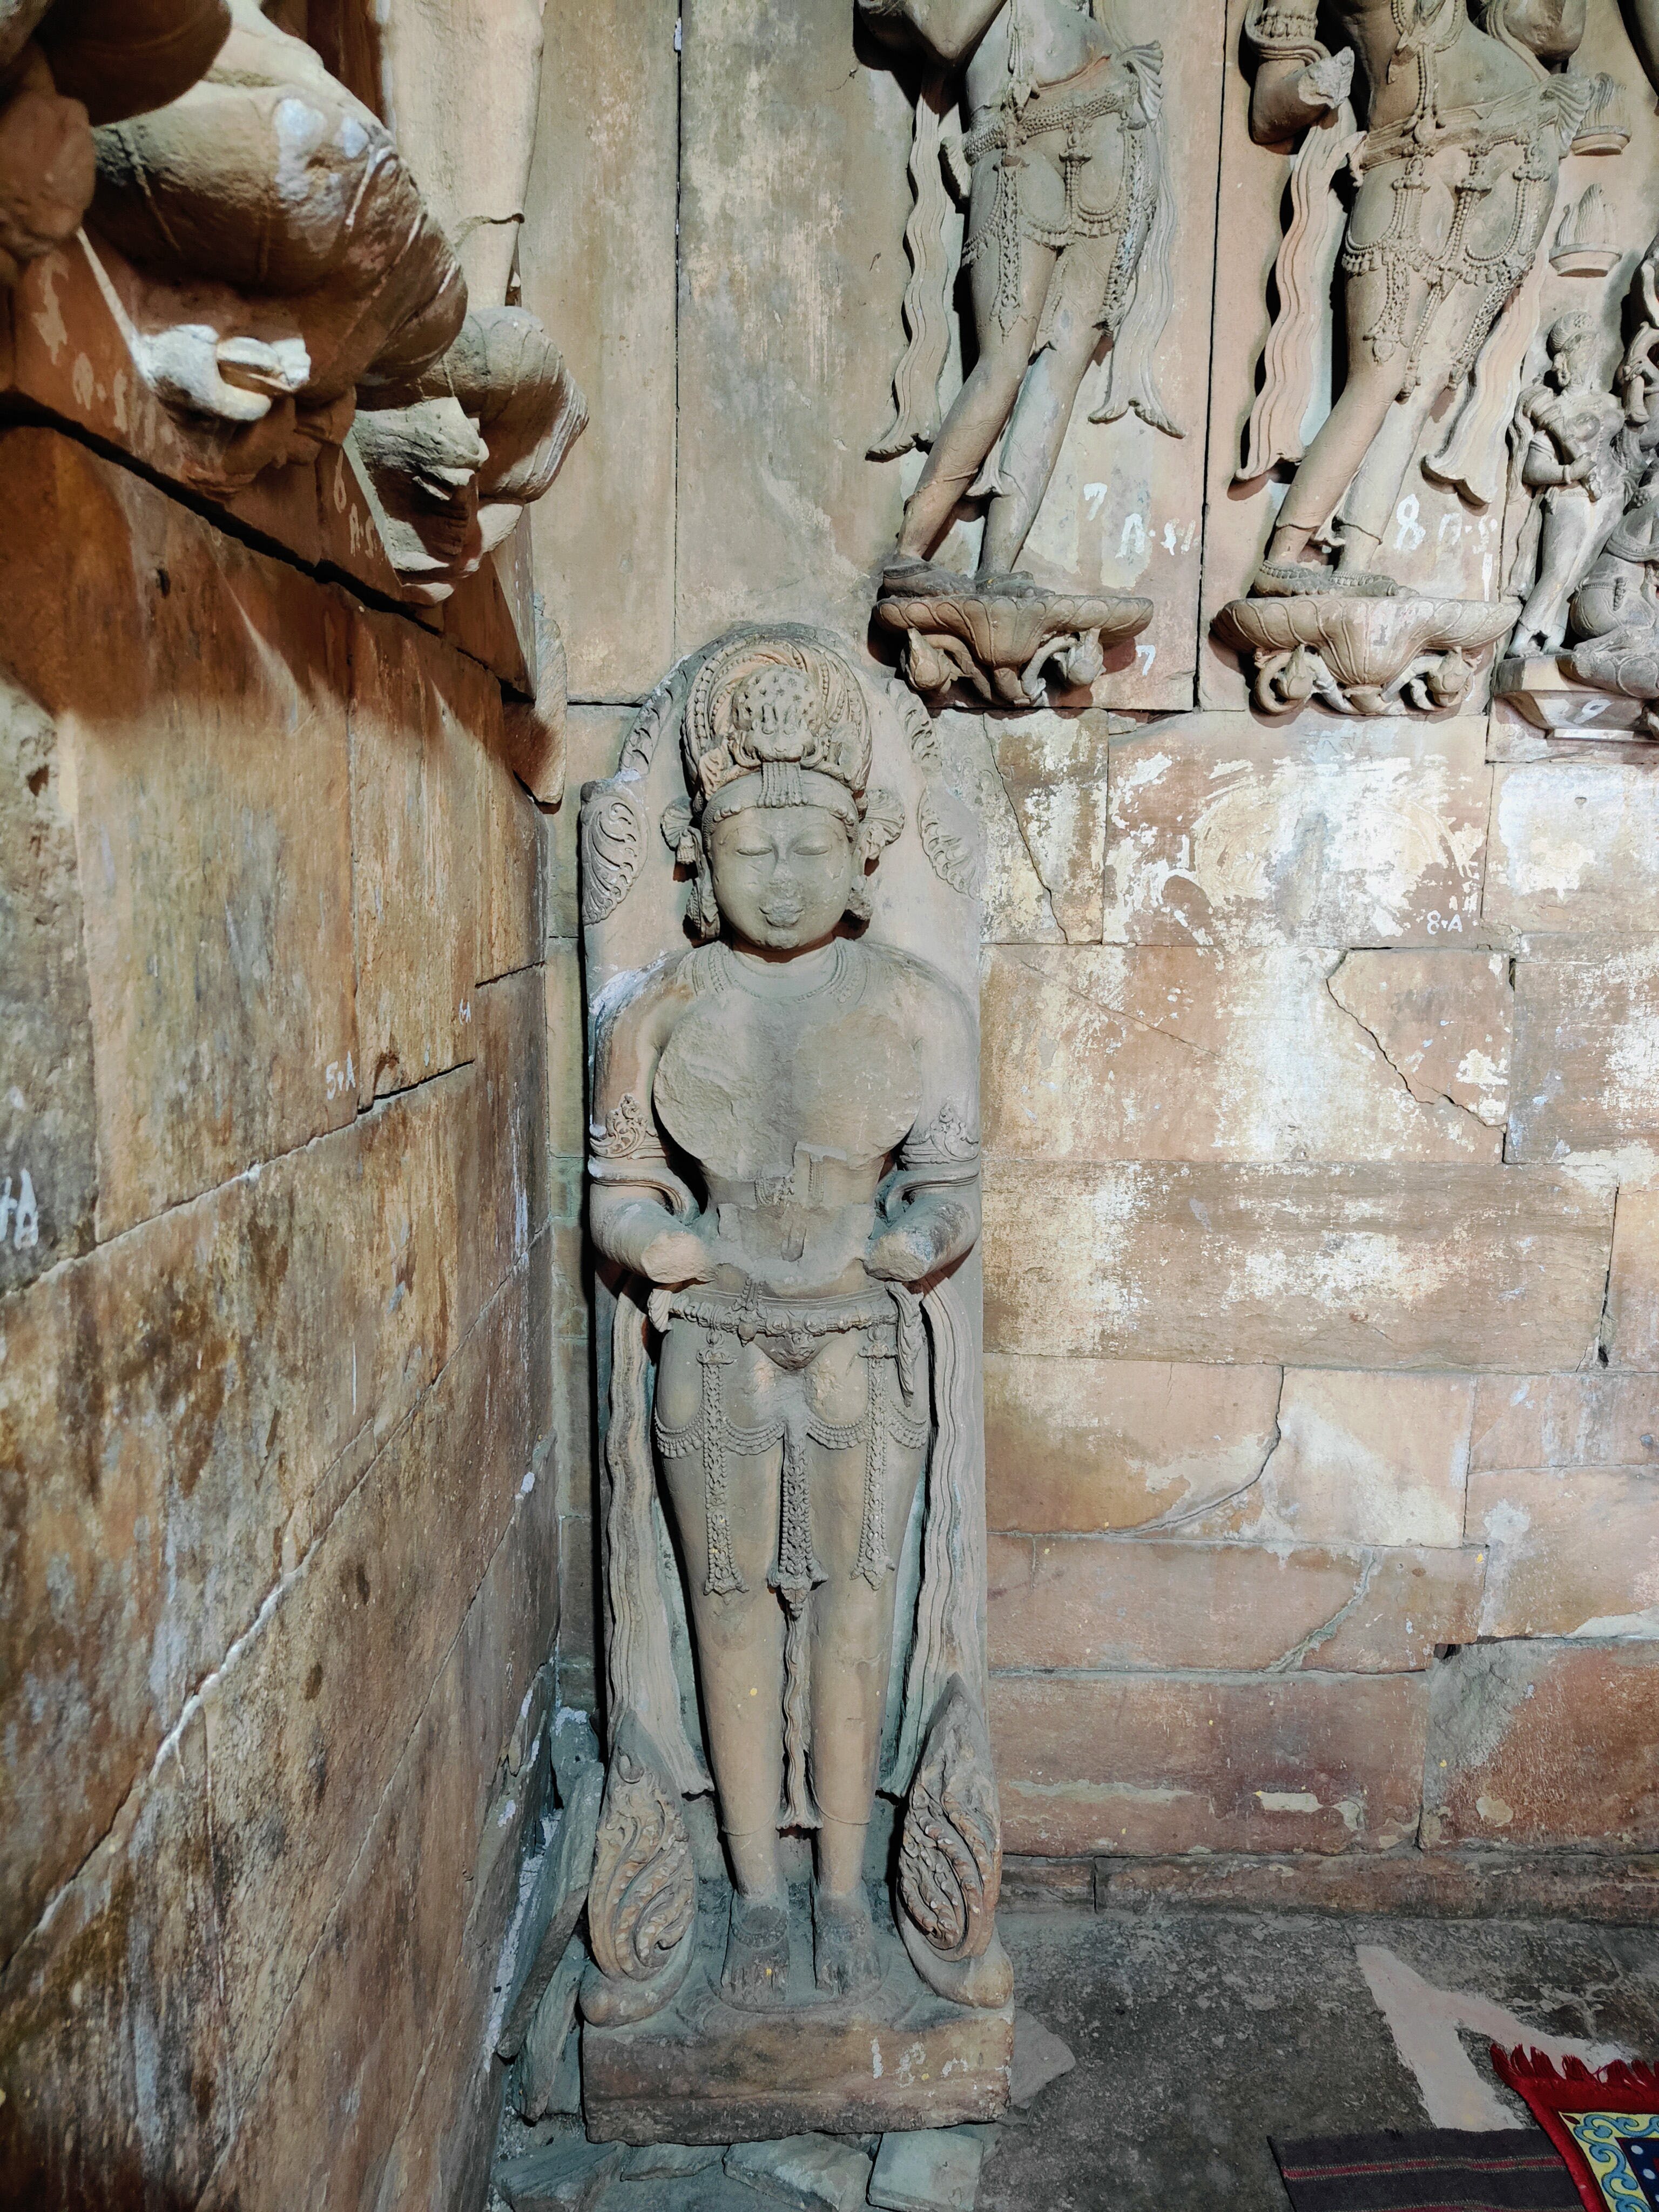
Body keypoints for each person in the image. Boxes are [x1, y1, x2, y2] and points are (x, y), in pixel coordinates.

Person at [586, 638, 981, 2008]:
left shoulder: (916, 1013)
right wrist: (656, 1240)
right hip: (714, 1347)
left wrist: (915, 1241)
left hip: (859, 1348)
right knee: (728, 1615)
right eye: (748, 842)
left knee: (855, 1613)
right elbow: (617, 1187)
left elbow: (945, 1186)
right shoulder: (657, 1014)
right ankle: (754, 1895)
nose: (779, 871)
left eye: (806, 840)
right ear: (696, 853)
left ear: (861, 849)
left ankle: (842, 1895)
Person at [1245, 0, 1584, 595]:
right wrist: (1310, 88)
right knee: (1380, 375)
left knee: (1424, 382)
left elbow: (1558, 29)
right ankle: (1284, 555)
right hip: (1408, 163)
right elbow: (1268, 112)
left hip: (1519, 150)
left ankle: (1356, 567)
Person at [861, 0, 1174, 590]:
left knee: (1063, 364)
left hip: (1116, 123)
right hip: (1014, 138)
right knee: (1004, 362)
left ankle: (998, 568)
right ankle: (910, 552)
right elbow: (949, 36)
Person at [1507, 314, 1629, 655]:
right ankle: (1522, 637)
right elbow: (1533, 468)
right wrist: (1569, 472)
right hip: (1570, 495)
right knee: (1559, 568)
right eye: (1584, 351)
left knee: (1579, 572)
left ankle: (1554, 638)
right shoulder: (1556, 409)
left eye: (1594, 351)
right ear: (1566, 360)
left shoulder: (1608, 402)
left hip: (1609, 495)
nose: (1591, 360)